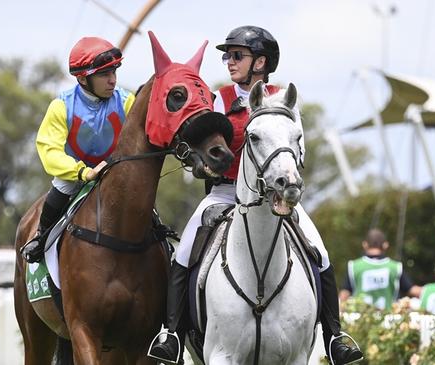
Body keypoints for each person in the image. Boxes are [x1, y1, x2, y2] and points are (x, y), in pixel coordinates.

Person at [148, 26, 363, 365]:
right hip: (224, 193)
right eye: (227, 55)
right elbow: (206, 150)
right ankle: (171, 333)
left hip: (276, 197)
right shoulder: (218, 99)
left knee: (319, 253)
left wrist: (287, 186)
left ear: (260, 61)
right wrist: (204, 166)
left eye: (237, 55)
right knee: (184, 253)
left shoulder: (285, 100)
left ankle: (335, 337)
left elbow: (296, 153)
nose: (228, 61)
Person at [20, 36, 135, 262]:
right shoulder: (61, 106)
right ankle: (41, 238)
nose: (112, 80)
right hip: (75, 175)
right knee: (62, 185)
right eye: (104, 75)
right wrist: (83, 172)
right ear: (83, 78)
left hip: (115, 171)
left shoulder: (126, 101)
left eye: (114, 72)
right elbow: (49, 149)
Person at [340, 228, 422, 310]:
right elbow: (413, 290)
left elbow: (344, 296)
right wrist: (432, 289)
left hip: (360, 320)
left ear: (365, 245)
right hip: (388, 319)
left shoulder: (354, 266)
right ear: (385, 245)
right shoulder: (395, 267)